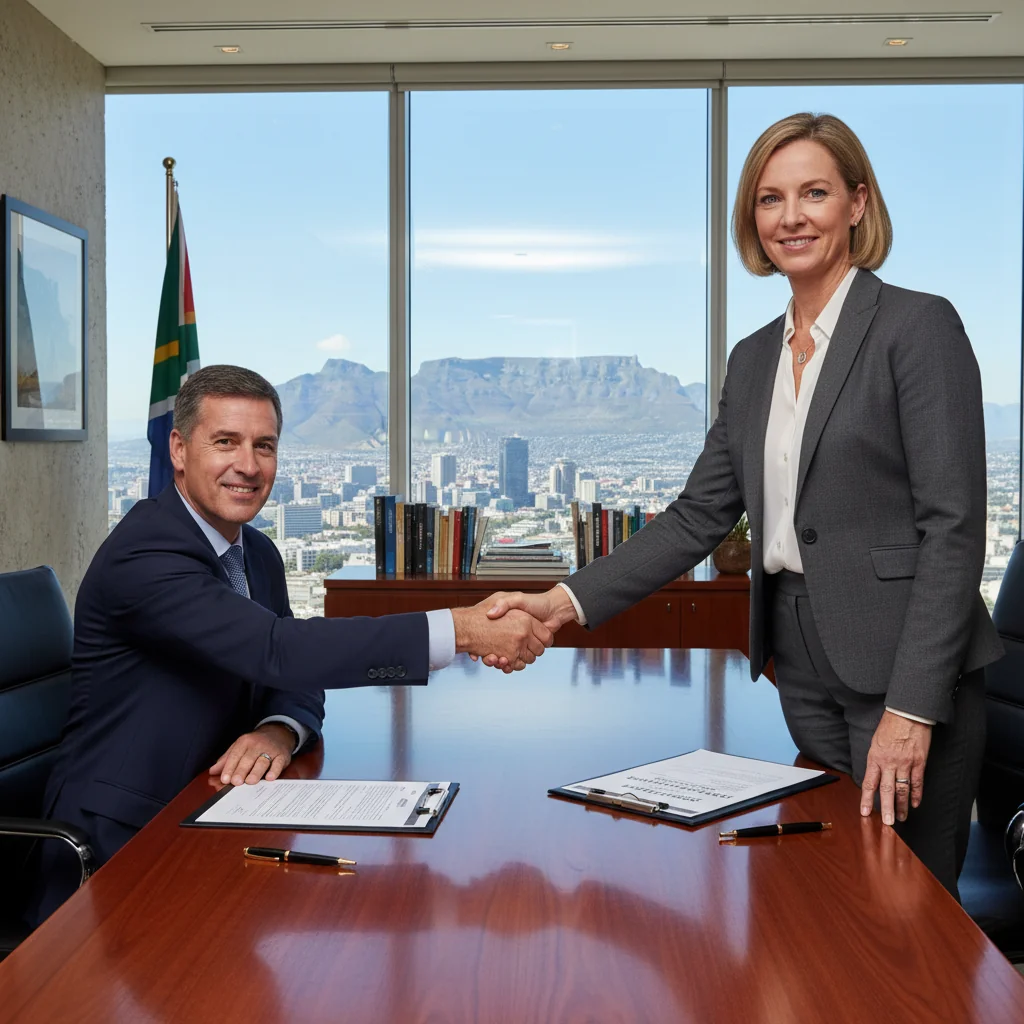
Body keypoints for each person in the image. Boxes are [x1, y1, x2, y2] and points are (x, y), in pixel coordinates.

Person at [486, 112, 1004, 899]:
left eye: (814, 193)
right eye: (770, 199)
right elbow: (698, 516)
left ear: (858, 204)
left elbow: (954, 528)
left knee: (902, 911)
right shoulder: (754, 355)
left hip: (905, 667)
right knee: (823, 889)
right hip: (799, 658)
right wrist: (563, 602)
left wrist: (913, 708)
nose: (790, 217)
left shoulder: (916, 326)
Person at [33, 365, 551, 922]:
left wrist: (279, 730)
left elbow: (296, 674)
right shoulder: (147, 551)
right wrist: (464, 628)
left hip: (215, 815)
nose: (248, 466)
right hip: (116, 849)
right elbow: (279, 649)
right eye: (225, 442)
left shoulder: (255, 551)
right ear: (179, 450)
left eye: (264, 446)